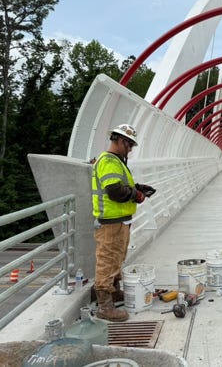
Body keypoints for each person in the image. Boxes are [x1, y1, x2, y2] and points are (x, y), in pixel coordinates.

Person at [91, 124, 155, 322]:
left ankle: (114, 291)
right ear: (120, 140)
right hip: (111, 222)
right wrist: (136, 195)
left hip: (119, 220)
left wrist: (137, 187)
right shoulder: (108, 161)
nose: (131, 149)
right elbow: (115, 191)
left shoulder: (116, 162)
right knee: (107, 260)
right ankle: (105, 306)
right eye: (130, 145)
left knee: (117, 258)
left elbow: (120, 185)